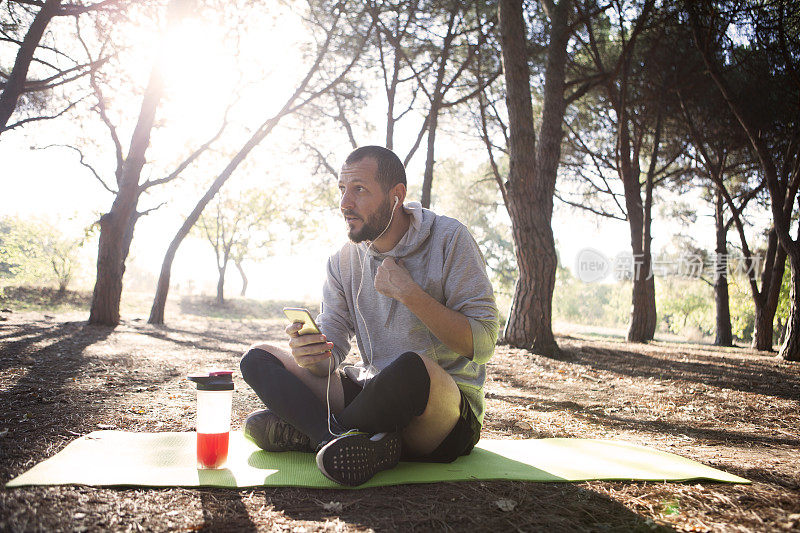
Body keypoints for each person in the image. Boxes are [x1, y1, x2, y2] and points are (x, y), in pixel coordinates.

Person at [240, 145, 499, 486]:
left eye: (359, 189)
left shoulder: (450, 239)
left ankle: (312, 429)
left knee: (410, 368)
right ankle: (335, 440)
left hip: (442, 413)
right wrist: (313, 354)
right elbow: (332, 354)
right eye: (342, 190)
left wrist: (410, 293)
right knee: (257, 358)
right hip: (374, 394)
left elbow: (483, 344)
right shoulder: (342, 261)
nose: (345, 203)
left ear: (396, 196)